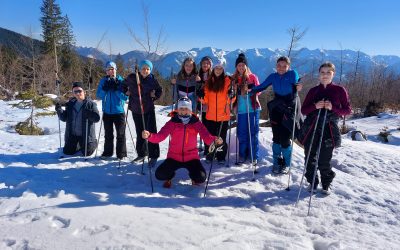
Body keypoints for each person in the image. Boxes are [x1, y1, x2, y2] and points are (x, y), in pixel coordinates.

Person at [142, 97, 223, 188]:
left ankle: (193, 177)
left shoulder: (196, 123)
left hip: (191, 158)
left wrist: (215, 140)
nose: (183, 111)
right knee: (159, 175)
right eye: (181, 108)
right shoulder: (172, 122)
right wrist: (149, 136)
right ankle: (170, 177)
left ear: (190, 110)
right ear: (178, 109)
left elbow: (206, 137)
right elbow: (160, 136)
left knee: (201, 177)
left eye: (186, 109)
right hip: (174, 157)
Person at [298, 62, 351, 195]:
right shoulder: (313, 91)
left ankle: (326, 183)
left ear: (333, 74)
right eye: (322, 72)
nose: (325, 75)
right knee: (309, 158)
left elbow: (347, 110)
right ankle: (312, 182)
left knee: (324, 160)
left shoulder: (340, 90)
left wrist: (333, 108)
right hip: (311, 128)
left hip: (329, 130)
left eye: (328, 72)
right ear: (319, 74)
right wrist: (315, 106)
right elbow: (304, 110)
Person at [250, 56, 302, 174]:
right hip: (277, 108)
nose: (281, 68)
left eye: (284, 66)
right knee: (276, 138)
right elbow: (262, 86)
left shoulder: (292, 73)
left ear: (289, 67)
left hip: (290, 108)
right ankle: (276, 162)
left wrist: (299, 85)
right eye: (279, 65)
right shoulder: (273, 76)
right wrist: (250, 89)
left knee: (285, 138)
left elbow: (297, 82)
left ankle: (286, 163)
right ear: (276, 66)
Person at [124, 60, 162, 165]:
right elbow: (122, 85)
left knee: (151, 132)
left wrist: (155, 96)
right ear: (139, 69)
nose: (145, 71)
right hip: (136, 109)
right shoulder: (132, 77)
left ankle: (154, 155)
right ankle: (141, 153)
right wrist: (126, 91)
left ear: (150, 70)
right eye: (143, 68)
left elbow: (159, 90)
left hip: (148, 109)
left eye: (148, 69)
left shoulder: (152, 80)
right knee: (140, 132)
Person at [199, 60, 235, 164]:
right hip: (210, 115)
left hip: (223, 115)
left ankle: (221, 157)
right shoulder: (208, 82)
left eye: (220, 68)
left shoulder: (228, 81)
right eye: (216, 68)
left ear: (223, 70)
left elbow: (231, 100)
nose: (218, 70)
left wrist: (232, 95)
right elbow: (204, 101)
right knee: (210, 137)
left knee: (221, 137)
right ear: (213, 69)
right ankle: (210, 155)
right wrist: (200, 95)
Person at [55, 82, 100, 156]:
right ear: (73, 93)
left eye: (79, 91)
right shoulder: (70, 104)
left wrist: (89, 113)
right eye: (75, 91)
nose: (78, 93)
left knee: (87, 153)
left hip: (85, 136)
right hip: (73, 135)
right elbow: (64, 118)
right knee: (67, 152)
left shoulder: (90, 104)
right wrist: (59, 109)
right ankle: (78, 144)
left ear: (84, 92)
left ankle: (93, 142)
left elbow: (97, 118)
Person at [232, 53, 261, 164]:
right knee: (242, 133)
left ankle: (254, 155)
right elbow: (231, 94)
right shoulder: (234, 79)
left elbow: (259, 90)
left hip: (253, 108)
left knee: (253, 133)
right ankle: (243, 154)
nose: (241, 67)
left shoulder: (253, 77)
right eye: (239, 65)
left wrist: (253, 90)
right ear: (236, 67)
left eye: (243, 65)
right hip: (241, 110)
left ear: (246, 66)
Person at [96, 61, 128, 160]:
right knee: (108, 134)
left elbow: (125, 98)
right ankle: (107, 153)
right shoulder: (103, 81)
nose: (110, 71)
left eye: (112, 69)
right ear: (106, 71)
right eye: (108, 69)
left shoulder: (121, 81)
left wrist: (117, 89)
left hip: (119, 112)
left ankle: (121, 154)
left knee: (120, 134)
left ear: (115, 70)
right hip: (107, 112)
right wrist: (105, 89)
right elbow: (99, 95)